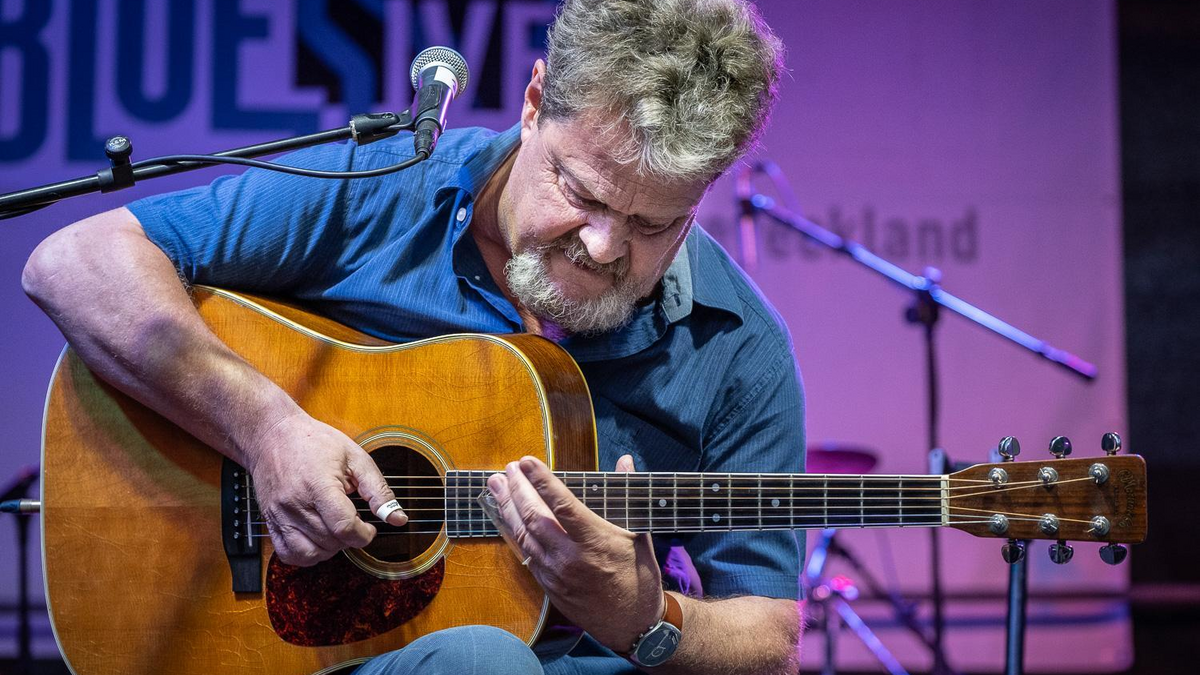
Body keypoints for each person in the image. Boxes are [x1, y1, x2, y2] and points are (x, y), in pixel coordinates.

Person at [23, 0, 804, 673]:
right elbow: (75, 262)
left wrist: (646, 619)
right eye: (582, 193)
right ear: (534, 103)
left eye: (652, 224)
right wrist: (266, 430)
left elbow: (770, 637)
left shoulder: (739, 349)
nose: (602, 247)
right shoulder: (383, 187)